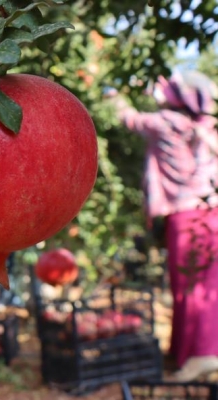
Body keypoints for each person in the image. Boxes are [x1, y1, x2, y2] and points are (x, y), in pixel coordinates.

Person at [110, 70, 218, 381]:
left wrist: (110, 93)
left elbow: (128, 118)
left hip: (186, 215)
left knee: (189, 286)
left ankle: (200, 354)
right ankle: (188, 353)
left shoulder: (165, 124)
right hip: (212, 213)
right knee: (206, 285)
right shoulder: (206, 126)